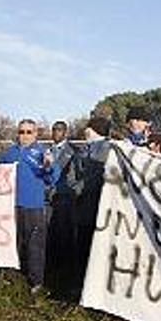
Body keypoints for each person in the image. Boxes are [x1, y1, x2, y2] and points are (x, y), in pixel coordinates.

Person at [0, 119, 61, 293]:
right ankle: (13, 274)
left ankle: (36, 281)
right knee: (14, 242)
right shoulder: (9, 152)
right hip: (11, 205)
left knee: (35, 245)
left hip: (34, 206)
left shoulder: (42, 152)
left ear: (35, 134)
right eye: (21, 132)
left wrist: (49, 167)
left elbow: (53, 178)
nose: (24, 135)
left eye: (28, 132)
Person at [73, 116, 111, 288]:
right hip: (85, 204)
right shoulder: (88, 148)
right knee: (82, 242)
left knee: (90, 244)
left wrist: (77, 188)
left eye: (88, 128)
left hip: (95, 202)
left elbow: (93, 176)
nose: (85, 131)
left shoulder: (105, 147)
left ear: (95, 129)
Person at [45, 121, 81, 288]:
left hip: (66, 199)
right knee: (50, 234)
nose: (56, 133)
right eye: (54, 130)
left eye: (59, 130)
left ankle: (68, 273)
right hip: (49, 200)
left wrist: (72, 193)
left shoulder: (74, 151)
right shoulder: (46, 151)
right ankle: (52, 270)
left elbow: (80, 176)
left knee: (67, 235)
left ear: (65, 132)